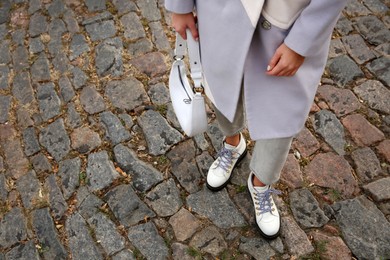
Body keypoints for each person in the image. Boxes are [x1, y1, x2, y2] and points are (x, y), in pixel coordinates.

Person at [165, 0, 348, 239]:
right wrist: (180, 6)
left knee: (282, 115)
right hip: (221, 11)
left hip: (287, 21)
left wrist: (303, 41)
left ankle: (261, 183)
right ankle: (232, 144)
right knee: (222, 87)